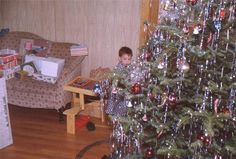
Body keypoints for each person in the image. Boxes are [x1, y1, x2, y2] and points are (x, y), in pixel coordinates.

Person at [105, 46, 133, 116]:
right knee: (116, 102)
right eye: (125, 59)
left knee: (123, 102)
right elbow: (115, 79)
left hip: (123, 88)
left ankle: (121, 113)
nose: (127, 61)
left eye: (129, 59)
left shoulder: (128, 67)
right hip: (117, 88)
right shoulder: (118, 68)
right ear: (120, 58)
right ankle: (114, 113)